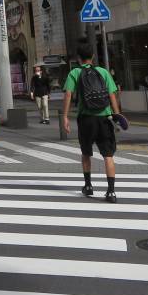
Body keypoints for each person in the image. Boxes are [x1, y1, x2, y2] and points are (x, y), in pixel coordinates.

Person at [61, 42, 124, 204]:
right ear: (93, 57)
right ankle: (111, 192)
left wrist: (65, 116)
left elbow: (68, 95)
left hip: (86, 119)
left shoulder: (74, 73)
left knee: (86, 153)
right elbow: (112, 94)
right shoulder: (103, 72)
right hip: (105, 118)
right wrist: (116, 115)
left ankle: (88, 186)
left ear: (78, 58)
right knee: (108, 155)